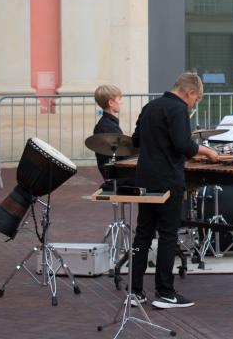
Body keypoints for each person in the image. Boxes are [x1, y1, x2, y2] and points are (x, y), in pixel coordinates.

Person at [130, 72, 219, 309]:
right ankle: (165, 293)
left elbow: (136, 140)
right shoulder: (178, 109)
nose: (194, 104)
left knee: (143, 233)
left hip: (145, 178)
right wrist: (207, 152)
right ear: (189, 92)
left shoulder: (150, 107)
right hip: (167, 179)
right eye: (196, 99)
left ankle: (135, 291)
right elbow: (184, 146)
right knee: (168, 235)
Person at [93, 84, 125, 175]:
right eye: (119, 99)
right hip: (116, 174)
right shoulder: (108, 127)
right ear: (111, 103)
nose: (121, 102)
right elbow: (120, 156)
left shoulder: (106, 123)